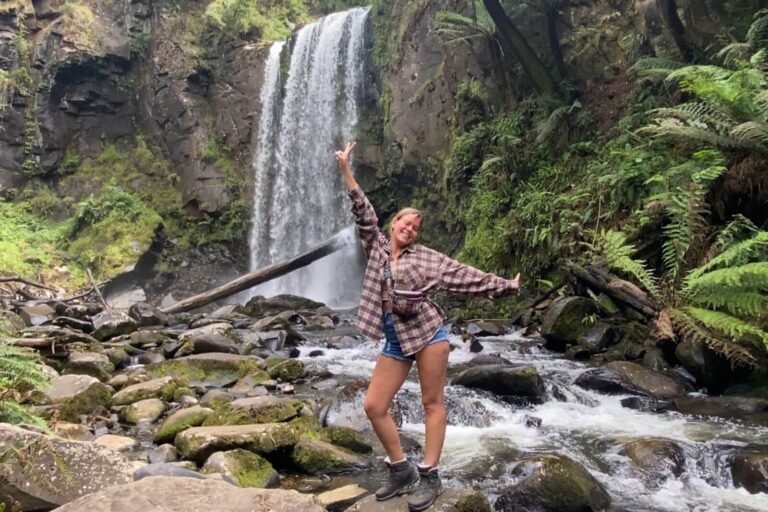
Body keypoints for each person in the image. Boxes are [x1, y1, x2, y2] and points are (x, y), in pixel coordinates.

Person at [335, 141, 521, 512]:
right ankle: (401, 468)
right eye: (406, 223)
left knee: (431, 403)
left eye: (416, 227)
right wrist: (346, 169)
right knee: (374, 406)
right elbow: (363, 212)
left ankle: (430, 474)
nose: (410, 229)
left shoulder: (425, 258)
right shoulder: (376, 246)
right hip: (395, 337)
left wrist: (505, 286)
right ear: (393, 224)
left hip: (428, 335)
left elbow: (463, 275)